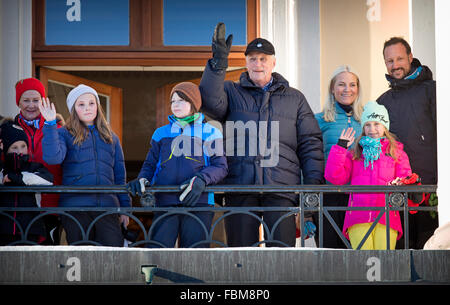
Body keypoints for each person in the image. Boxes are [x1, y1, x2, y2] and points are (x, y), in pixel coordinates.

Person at [199, 23, 324, 247]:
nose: (258, 64)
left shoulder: (295, 98)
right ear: (245, 63)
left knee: (281, 257)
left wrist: (311, 190)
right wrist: (218, 64)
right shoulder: (231, 91)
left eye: (263, 58)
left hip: (281, 190)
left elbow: (310, 144)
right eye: (253, 59)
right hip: (240, 188)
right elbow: (209, 103)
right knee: (241, 257)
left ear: (273, 62)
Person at [127, 82, 227, 248]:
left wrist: (202, 179)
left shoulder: (210, 132)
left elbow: (220, 166)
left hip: (198, 202)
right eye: (173, 101)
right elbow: (150, 165)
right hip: (165, 201)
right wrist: (143, 179)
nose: (176, 105)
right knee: (158, 253)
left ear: (193, 103)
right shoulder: (161, 133)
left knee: (194, 256)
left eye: (181, 100)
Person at [39, 84, 130, 247]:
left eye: (91, 103)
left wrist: (125, 209)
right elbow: (53, 158)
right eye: (81, 104)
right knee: (81, 258)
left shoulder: (111, 137)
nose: (87, 108)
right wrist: (51, 124)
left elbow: (119, 175)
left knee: (112, 257)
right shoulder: (64, 133)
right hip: (75, 208)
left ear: (97, 106)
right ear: (74, 109)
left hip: (107, 208)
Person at [325, 101, 412, 250]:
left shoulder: (397, 153)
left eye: (376, 124)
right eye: (367, 125)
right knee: (363, 264)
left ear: (385, 126)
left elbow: (406, 181)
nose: (372, 129)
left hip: (387, 217)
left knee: (384, 263)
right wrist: (340, 149)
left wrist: (413, 196)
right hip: (358, 217)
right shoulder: (354, 153)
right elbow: (335, 178)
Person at [376, 37, 438, 249]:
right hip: (396, 193)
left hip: (430, 190)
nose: (395, 65)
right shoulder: (382, 101)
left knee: (430, 250)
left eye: (400, 59)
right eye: (389, 61)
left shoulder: (432, 90)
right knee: (400, 252)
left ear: (410, 57)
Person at [314, 66, 364, 248]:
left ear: (358, 89)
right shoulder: (319, 120)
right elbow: (309, 157)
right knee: (329, 251)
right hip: (329, 194)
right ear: (332, 89)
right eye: (341, 84)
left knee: (356, 251)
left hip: (359, 197)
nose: (347, 89)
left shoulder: (366, 120)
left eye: (352, 84)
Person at [14, 78, 63, 244]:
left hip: (51, 206)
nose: (31, 105)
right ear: (18, 102)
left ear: (43, 102)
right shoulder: (8, 130)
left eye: (36, 100)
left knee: (49, 255)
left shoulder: (57, 129)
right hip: (17, 207)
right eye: (26, 100)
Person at [0, 120, 53, 245]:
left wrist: (17, 178)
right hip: (4, 228)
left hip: (30, 228)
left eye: (23, 146)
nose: (20, 151)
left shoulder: (33, 167)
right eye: (14, 147)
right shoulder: (2, 168)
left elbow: (48, 180)